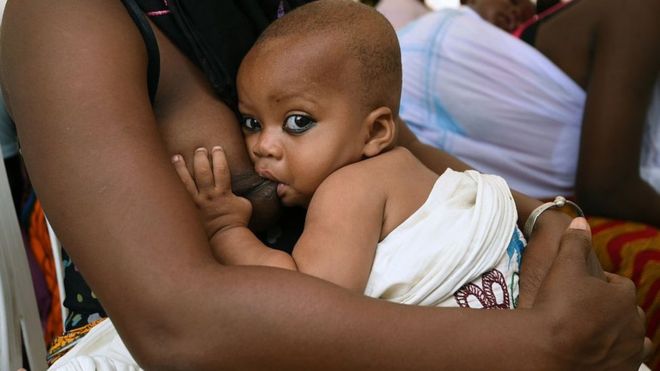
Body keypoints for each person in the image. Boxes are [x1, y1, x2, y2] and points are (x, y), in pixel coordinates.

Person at [0, 0, 650, 369]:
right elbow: (176, 328)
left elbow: (401, 143)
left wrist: (549, 225)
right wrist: (541, 343)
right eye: (252, 124)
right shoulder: (67, 17)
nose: (263, 145)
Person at [171, 2, 525, 309]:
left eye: (297, 122)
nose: (262, 145)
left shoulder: (347, 190)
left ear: (374, 132)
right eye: (251, 122)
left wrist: (225, 229)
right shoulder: (406, 167)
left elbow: (305, 302)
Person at [397, 0, 660, 227]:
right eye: (510, 0)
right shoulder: (634, 11)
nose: (516, 11)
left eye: (524, 5)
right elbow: (607, 188)